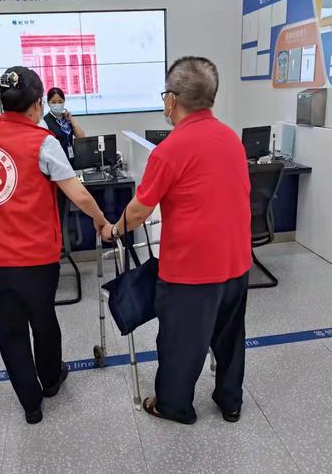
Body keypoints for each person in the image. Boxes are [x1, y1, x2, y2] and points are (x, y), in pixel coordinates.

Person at [102, 57, 252, 425]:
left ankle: (174, 405)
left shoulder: (171, 148)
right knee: (230, 336)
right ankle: (230, 401)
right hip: (236, 262)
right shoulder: (231, 138)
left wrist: (112, 229)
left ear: (171, 99)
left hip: (192, 271)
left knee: (180, 343)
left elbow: (138, 211)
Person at [0, 66, 108, 425]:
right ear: (38, 104)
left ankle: (31, 406)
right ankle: (51, 380)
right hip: (32, 259)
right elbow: (78, 193)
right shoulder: (43, 142)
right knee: (43, 321)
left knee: (8, 332)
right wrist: (101, 220)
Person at [39, 87, 85, 161]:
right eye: (53, 102)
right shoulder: (45, 121)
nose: (57, 104)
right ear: (48, 103)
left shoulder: (66, 118)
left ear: (64, 101)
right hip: (57, 161)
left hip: (71, 159)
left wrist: (72, 121)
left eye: (60, 102)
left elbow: (82, 138)